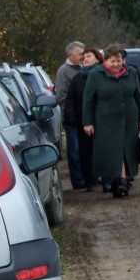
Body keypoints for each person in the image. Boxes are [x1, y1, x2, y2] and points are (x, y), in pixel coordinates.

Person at [82, 43, 140, 198]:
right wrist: (88, 122)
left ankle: (121, 181)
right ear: (105, 61)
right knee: (113, 152)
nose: (116, 64)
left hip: (129, 118)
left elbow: (138, 96)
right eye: (112, 61)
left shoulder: (132, 72)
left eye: (119, 60)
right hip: (105, 120)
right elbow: (88, 100)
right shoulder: (95, 74)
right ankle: (120, 181)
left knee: (126, 150)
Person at [64, 47, 104, 191]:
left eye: (89, 56)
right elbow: (70, 100)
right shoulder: (78, 78)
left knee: (103, 151)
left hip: (103, 120)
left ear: (97, 59)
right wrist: (71, 119)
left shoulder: (104, 76)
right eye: (84, 57)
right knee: (85, 153)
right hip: (83, 122)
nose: (85, 59)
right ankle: (90, 182)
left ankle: (107, 180)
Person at [55, 40, 86, 190]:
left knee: (85, 149)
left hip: (85, 117)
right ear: (70, 55)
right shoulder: (63, 72)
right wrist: (72, 114)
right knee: (74, 150)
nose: (83, 56)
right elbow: (61, 97)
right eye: (80, 54)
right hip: (72, 118)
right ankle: (78, 180)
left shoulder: (84, 68)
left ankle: (89, 176)